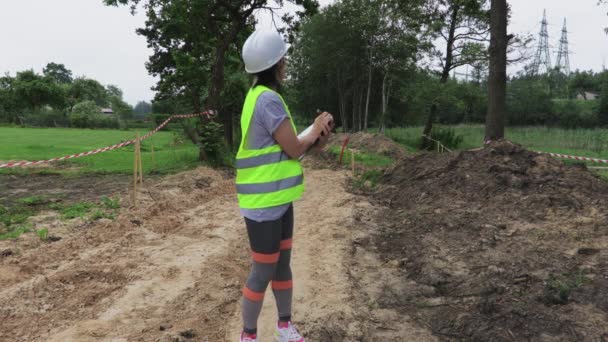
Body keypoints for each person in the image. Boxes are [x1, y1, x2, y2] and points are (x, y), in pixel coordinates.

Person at [236, 29, 333, 342]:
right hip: (264, 204)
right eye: (283, 59)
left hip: (277, 198)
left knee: (281, 266)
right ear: (277, 64)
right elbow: (293, 148)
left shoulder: (256, 97)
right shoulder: (268, 100)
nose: (286, 64)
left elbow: (287, 149)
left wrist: (313, 142)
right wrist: (316, 128)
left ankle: (284, 327)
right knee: (263, 270)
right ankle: (248, 336)